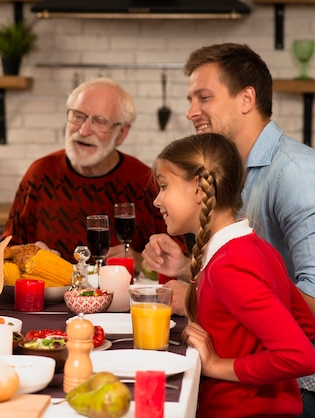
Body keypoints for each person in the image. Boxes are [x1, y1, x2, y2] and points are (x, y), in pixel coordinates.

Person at [142, 42, 315, 416]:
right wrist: (194, 273)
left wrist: (218, 362)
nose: (190, 112)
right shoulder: (247, 238)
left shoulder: (297, 173)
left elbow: (301, 343)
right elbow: (281, 302)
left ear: (246, 98)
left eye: (204, 97)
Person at [1, 77, 177, 267]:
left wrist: (140, 259)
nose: (84, 130)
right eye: (78, 116)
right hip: (49, 295)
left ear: (122, 133)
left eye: (100, 122)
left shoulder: (145, 181)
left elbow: (180, 259)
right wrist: (30, 253)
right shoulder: (40, 174)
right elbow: (6, 251)